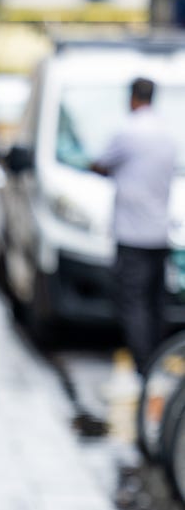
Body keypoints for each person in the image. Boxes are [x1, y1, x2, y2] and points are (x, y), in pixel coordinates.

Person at [92, 77, 177, 375]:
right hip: (159, 231)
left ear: (132, 98)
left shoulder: (127, 131)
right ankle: (157, 357)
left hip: (132, 233)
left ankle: (144, 363)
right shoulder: (168, 131)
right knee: (156, 302)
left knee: (133, 302)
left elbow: (100, 163)